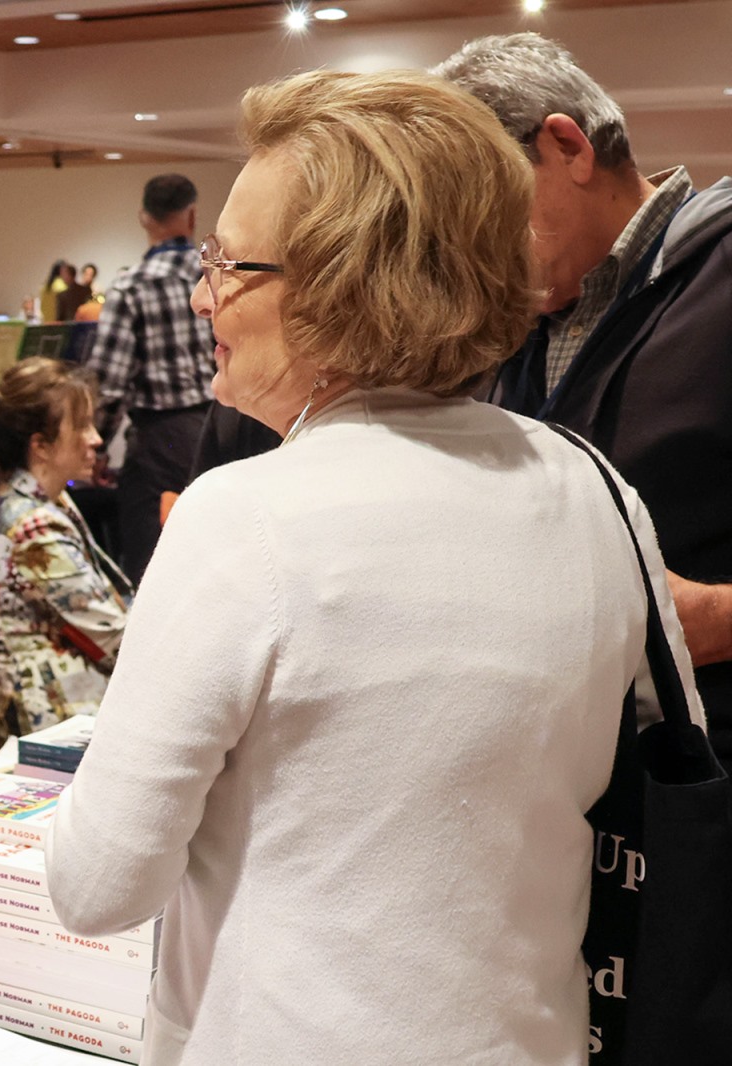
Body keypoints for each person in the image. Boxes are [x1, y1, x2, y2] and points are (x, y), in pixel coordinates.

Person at [46, 69, 702, 1063]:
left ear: (341, 285)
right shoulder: (595, 491)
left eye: (230, 264)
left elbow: (99, 886)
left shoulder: (244, 516)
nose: (202, 291)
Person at [436, 32, 732, 764]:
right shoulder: (518, 322)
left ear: (567, 146)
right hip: (583, 789)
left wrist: (717, 618)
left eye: (482, 209)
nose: (475, 249)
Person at [0, 357, 131, 747]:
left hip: (64, 704)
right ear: (41, 446)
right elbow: (120, 640)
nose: (96, 439)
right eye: (81, 426)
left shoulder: (42, 501)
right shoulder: (34, 527)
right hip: (53, 725)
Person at [83, 172, 213, 585]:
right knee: (210, 556)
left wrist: (98, 445)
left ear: (144, 218)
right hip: (218, 428)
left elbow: (110, 383)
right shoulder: (218, 277)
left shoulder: (129, 287)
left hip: (160, 441)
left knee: (154, 567)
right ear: (191, 216)